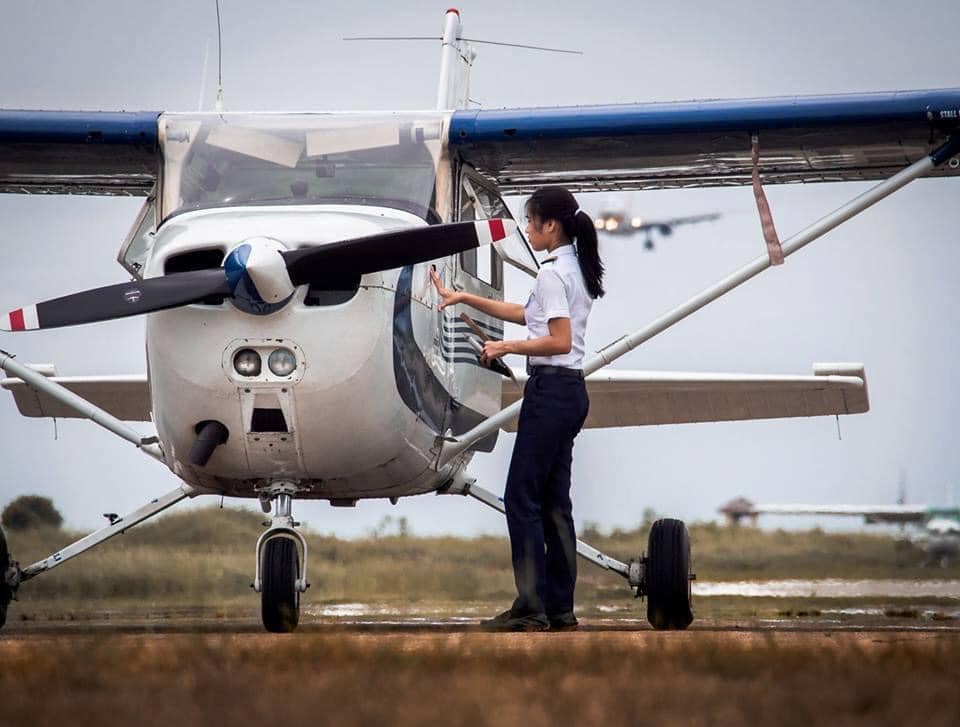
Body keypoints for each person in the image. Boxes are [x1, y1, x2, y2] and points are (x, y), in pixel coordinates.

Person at [430, 187, 604, 631]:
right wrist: (463, 297)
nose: (527, 229)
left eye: (530, 221)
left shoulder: (552, 274)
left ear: (551, 225)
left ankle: (530, 607)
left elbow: (559, 340)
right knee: (554, 503)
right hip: (570, 392)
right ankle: (559, 609)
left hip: (551, 393)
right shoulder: (573, 268)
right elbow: (527, 315)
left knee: (521, 498)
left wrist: (505, 347)